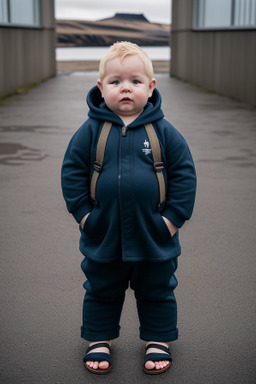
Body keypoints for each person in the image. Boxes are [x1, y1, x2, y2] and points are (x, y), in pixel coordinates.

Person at [61, 41, 196, 375]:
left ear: (151, 88)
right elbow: (72, 172)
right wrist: (85, 217)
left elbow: (184, 175)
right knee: (101, 289)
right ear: (101, 87)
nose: (125, 88)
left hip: (154, 235)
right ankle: (98, 339)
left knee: (157, 289)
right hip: (104, 233)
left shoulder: (164, 132)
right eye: (116, 81)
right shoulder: (90, 131)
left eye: (135, 81)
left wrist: (172, 220)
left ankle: (158, 339)